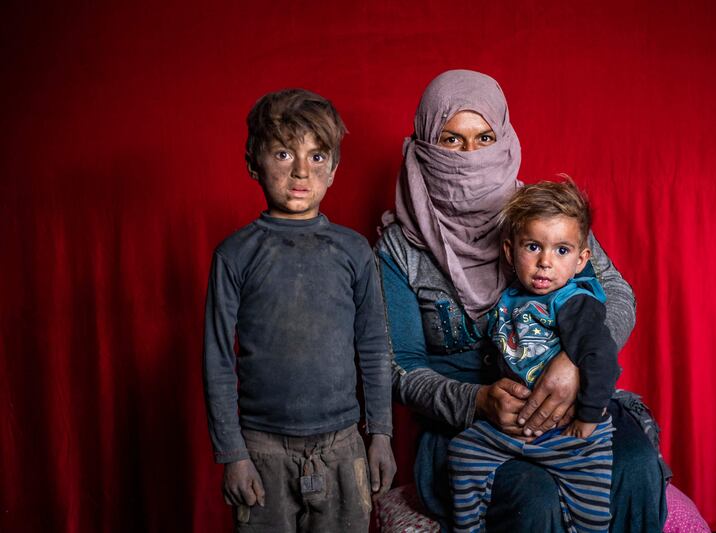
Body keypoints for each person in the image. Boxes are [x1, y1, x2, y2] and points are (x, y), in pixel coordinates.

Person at [375, 69, 667, 532]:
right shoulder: (400, 247)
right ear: (425, 146)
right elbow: (398, 365)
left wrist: (574, 364)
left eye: (485, 137)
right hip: (468, 427)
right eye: (452, 140)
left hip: (565, 404)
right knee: (535, 498)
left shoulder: (541, 217)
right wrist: (475, 400)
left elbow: (613, 291)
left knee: (635, 465)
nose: (471, 156)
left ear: (505, 138)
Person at [203, 88, 395, 533]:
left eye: (318, 156)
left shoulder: (354, 252)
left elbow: (374, 346)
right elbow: (217, 358)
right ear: (254, 162)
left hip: (343, 447)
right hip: (262, 449)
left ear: (335, 168)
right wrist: (232, 453)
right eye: (285, 154)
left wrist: (380, 435)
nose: (302, 172)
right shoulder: (235, 254)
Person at [449, 179, 618, 533]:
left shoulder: (573, 302)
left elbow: (602, 357)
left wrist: (587, 418)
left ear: (581, 259)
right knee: (463, 453)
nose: (544, 262)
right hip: (515, 427)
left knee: (590, 516)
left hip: (571, 434)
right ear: (510, 253)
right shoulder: (511, 298)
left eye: (561, 251)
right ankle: (469, 527)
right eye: (533, 247)